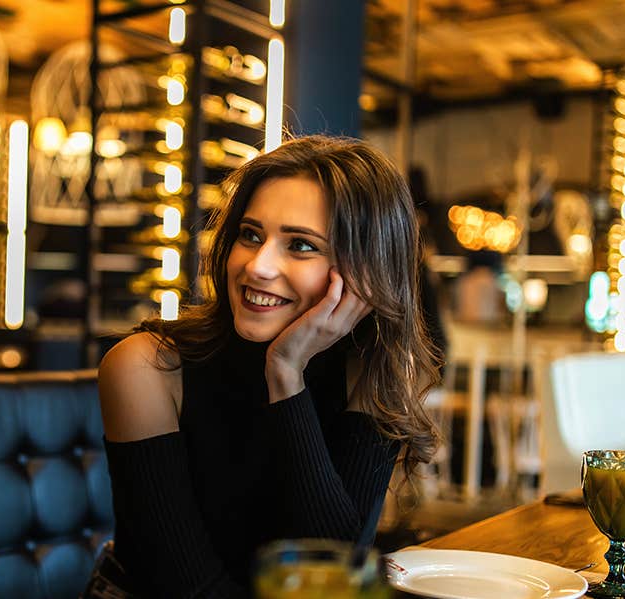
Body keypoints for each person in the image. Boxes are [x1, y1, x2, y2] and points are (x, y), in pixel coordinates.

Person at [96, 136, 441, 596]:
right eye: (251, 235)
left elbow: (333, 568)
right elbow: (191, 588)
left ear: (365, 271)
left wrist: (285, 373)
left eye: (300, 245)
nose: (257, 266)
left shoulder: (370, 371)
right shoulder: (145, 368)